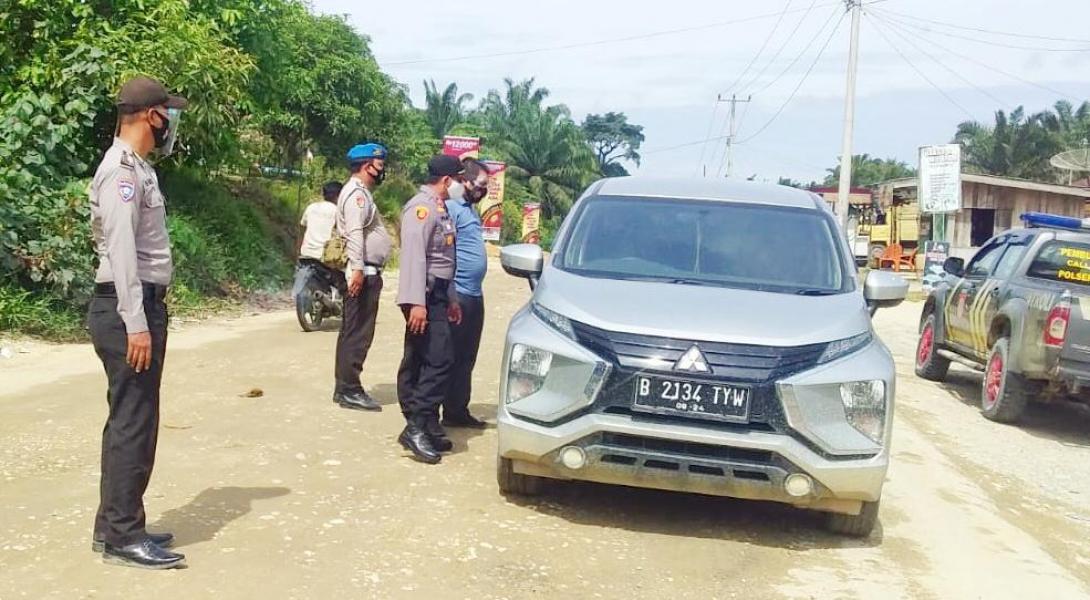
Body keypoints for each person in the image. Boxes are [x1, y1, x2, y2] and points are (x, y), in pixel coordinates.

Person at [87, 76, 187, 569]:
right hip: (128, 307)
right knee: (134, 423)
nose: (172, 123)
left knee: (131, 419)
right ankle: (124, 536)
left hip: (135, 306)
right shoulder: (121, 172)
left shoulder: (138, 169)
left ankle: (116, 524)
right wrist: (136, 322)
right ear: (153, 116)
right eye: (169, 113)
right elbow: (123, 251)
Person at [396, 155, 465, 464]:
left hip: (437, 294)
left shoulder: (441, 208)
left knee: (425, 358)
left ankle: (427, 424)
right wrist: (417, 304)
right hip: (422, 295)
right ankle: (416, 425)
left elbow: (445, 258)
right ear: (447, 180)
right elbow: (414, 258)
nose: (462, 186)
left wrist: (450, 297)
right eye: (460, 180)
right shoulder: (421, 208)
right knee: (439, 359)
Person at [332, 143, 393, 411]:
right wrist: (356, 269)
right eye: (379, 165)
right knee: (357, 332)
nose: (382, 170)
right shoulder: (357, 195)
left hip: (366, 271)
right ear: (368, 165)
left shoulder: (361, 194)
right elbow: (355, 233)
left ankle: (346, 386)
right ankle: (349, 389)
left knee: (356, 331)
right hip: (363, 272)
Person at [441, 159, 490, 429]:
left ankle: (457, 410)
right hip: (457, 293)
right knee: (449, 354)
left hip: (475, 294)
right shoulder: (450, 209)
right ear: (466, 181)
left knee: (467, 355)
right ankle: (438, 411)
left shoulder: (471, 210)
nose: (483, 190)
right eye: (481, 185)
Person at [298, 181, 345, 292]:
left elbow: (302, 228)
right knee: (345, 281)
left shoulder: (311, 207)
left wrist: (299, 250)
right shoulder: (338, 211)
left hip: (306, 255)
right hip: (325, 258)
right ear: (339, 195)